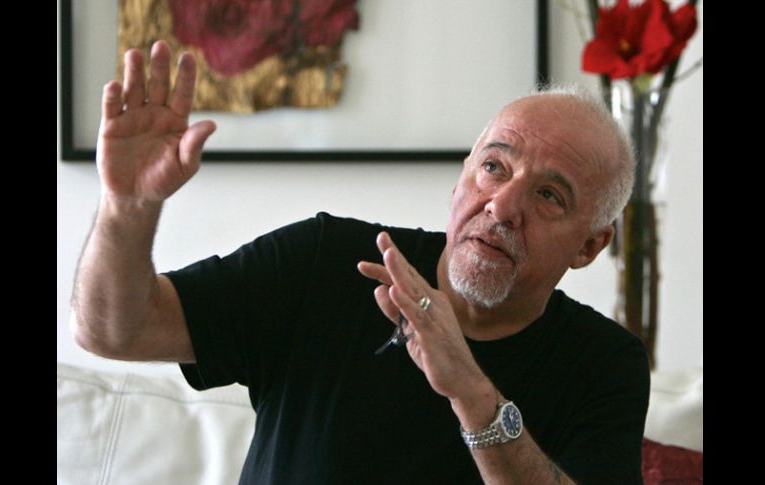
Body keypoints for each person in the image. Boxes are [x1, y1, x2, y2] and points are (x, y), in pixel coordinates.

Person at [71, 40, 649, 484]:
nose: (502, 205)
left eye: (549, 195)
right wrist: (128, 206)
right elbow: (114, 332)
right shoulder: (325, 262)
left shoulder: (605, 364)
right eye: (494, 167)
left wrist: (473, 395)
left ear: (589, 246)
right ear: (460, 179)